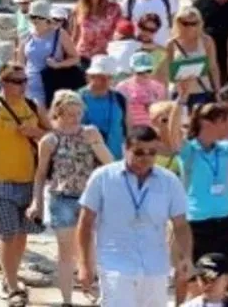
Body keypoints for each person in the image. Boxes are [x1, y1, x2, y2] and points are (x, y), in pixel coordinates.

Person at [77, 125, 194, 306]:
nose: (145, 158)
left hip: (155, 265)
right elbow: (85, 223)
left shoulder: (169, 181)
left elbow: (180, 225)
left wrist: (185, 256)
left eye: (152, 153)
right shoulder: (103, 177)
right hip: (115, 263)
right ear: (126, 149)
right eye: (139, 152)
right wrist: (84, 264)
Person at [0, 65, 51, 306]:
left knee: (22, 234)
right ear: (3, 83)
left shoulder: (34, 106)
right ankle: (13, 285)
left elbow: (53, 136)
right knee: (6, 234)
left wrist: (36, 132)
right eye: (15, 81)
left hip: (30, 180)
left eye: (24, 80)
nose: (22, 85)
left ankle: (10, 275)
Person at [28, 90, 113, 307]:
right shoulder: (49, 140)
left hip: (90, 198)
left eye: (78, 113)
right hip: (61, 197)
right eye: (70, 114)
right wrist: (36, 202)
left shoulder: (90, 132)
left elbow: (110, 164)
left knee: (89, 247)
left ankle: (90, 289)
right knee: (65, 251)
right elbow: (40, 174)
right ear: (58, 113)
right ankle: (66, 300)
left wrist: (95, 144)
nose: (75, 119)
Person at [180, 104, 228, 295]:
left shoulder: (225, 148)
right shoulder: (190, 150)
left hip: (225, 219)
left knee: (227, 276)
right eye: (223, 122)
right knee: (199, 280)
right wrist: (180, 100)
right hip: (198, 221)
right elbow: (173, 137)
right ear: (207, 123)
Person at [21, 0, 80, 108]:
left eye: (38, 17)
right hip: (29, 86)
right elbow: (20, 63)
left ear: (47, 19)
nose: (35, 20)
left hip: (50, 85)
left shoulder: (60, 34)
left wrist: (58, 65)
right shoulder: (26, 36)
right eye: (32, 17)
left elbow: (75, 58)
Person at [167, 7, 221, 110]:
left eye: (194, 23)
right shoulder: (171, 44)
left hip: (201, 91)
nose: (190, 27)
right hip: (179, 92)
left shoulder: (206, 41)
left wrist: (217, 90)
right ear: (178, 23)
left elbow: (213, 67)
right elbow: (169, 71)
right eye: (185, 23)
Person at [79, 57, 129, 159]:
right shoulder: (77, 98)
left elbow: (129, 127)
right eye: (101, 77)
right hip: (85, 158)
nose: (106, 81)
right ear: (90, 77)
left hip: (115, 157)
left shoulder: (120, 98)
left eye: (110, 77)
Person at [73, 0, 122, 71]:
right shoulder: (78, 9)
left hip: (105, 56)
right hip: (83, 57)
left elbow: (119, 32)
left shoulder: (114, 9)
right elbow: (75, 34)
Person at [116, 52, 167, 128]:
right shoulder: (122, 87)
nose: (145, 74)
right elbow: (120, 112)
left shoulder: (159, 87)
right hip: (131, 129)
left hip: (152, 130)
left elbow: (163, 112)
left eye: (148, 70)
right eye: (140, 72)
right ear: (132, 70)